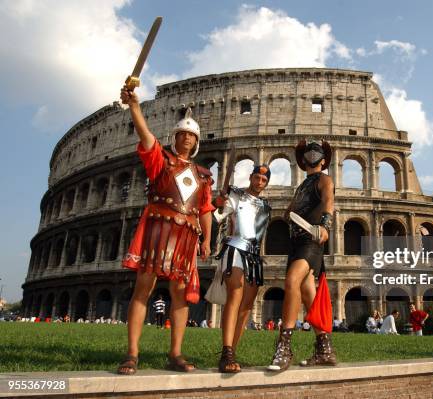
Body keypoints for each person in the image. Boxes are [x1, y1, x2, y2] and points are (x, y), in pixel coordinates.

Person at [117, 85, 214, 375]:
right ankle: (132, 353)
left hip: (186, 233)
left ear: (196, 141)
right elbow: (146, 137)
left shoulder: (203, 175)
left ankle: (175, 353)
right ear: (175, 138)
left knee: (180, 294)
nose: (186, 138)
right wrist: (135, 106)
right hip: (159, 229)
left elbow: (205, 209)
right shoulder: (161, 161)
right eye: (182, 134)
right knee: (143, 288)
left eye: (191, 135)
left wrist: (207, 239)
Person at [267, 140, 336, 372]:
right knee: (308, 295)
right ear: (303, 160)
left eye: (317, 153)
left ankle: (284, 346)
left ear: (323, 160)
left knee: (291, 281)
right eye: (309, 153)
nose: (312, 155)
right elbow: (290, 212)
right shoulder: (301, 186)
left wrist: (325, 225)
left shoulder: (325, 180)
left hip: (312, 241)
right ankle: (325, 349)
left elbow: (328, 203)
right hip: (296, 243)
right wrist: (288, 213)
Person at [213, 165, 271, 373]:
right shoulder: (236, 196)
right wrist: (219, 202)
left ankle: (232, 352)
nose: (259, 182)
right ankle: (226, 351)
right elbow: (219, 215)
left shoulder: (266, 205)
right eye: (257, 177)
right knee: (234, 296)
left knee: (246, 306)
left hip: (254, 255)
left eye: (264, 180)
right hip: (235, 248)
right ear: (251, 177)